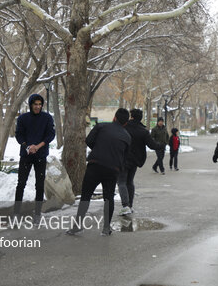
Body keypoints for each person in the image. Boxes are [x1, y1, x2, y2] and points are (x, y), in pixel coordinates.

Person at [66, 108, 131, 236]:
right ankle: (106, 228)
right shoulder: (127, 137)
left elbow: (88, 140)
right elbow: (125, 157)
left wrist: (99, 149)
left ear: (114, 118)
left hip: (95, 165)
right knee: (109, 198)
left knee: (86, 196)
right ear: (125, 123)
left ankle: (77, 226)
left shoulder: (101, 127)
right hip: (112, 170)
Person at [13, 94, 56, 223]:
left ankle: (37, 214)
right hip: (26, 155)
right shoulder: (23, 118)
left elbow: (50, 135)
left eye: (39, 104)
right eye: (35, 104)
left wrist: (38, 146)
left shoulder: (47, 118)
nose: (37, 106)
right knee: (21, 184)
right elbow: (19, 135)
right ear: (31, 105)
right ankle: (16, 212)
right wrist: (27, 146)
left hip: (41, 155)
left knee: (40, 185)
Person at [117, 109, 165, 216]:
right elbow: (152, 145)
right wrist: (162, 145)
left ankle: (125, 206)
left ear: (131, 117)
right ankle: (130, 206)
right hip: (135, 160)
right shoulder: (143, 131)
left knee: (121, 182)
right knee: (130, 182)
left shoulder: (124, 127)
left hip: (123, 158)